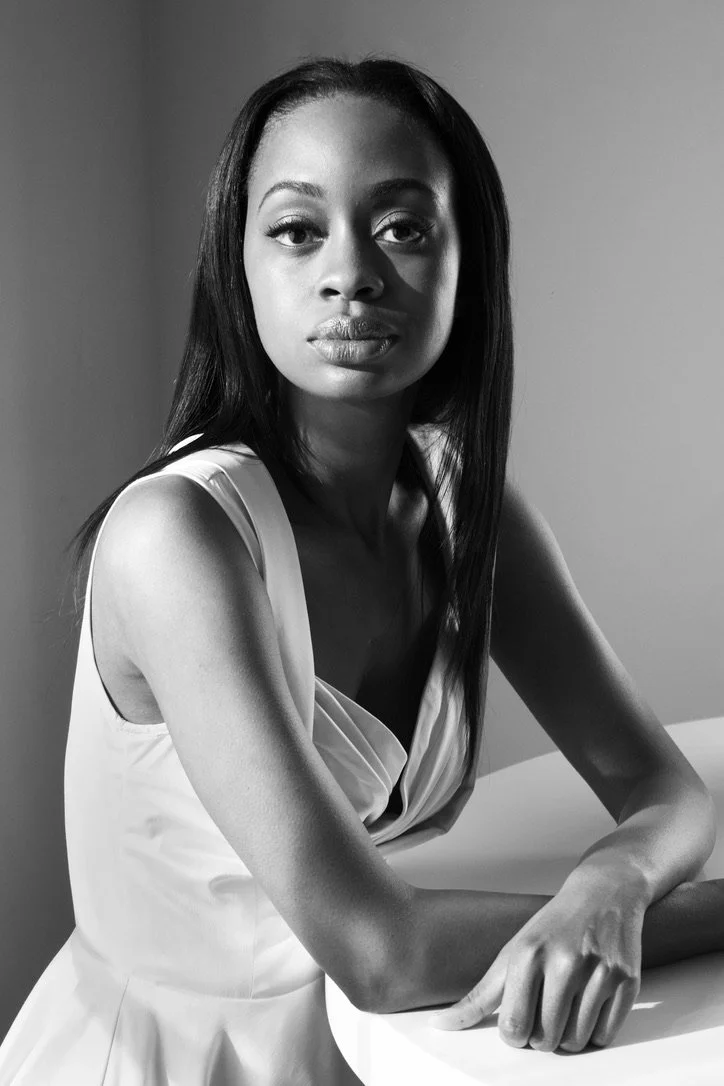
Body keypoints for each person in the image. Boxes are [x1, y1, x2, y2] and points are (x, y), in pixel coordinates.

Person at [0, 54, 722, 1086]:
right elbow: (379, 954)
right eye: (298, 230)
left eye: (402, 228)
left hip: (385, 1052)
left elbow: (663, 786)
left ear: (469, 261)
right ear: (236, 267)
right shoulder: (176, 537)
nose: (351, 274)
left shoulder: (465, 505)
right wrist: (684, 915)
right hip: (178, 1060)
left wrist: (611, 883)